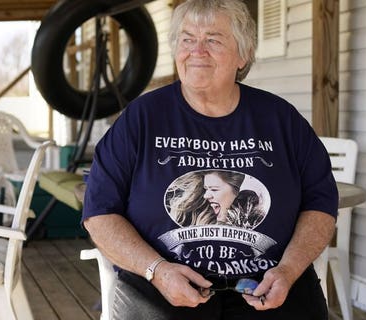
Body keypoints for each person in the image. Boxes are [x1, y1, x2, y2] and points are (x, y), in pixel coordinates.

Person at [82, 0, 338, 319]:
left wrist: (288, 269)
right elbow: (100, 212)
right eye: (188, 39)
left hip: (269, 288)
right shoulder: (140, 120)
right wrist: (157, 270)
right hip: (163, 290)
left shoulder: (281, 120)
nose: (197, 51)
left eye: (213, 40)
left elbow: (321, 203)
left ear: (242, 55)